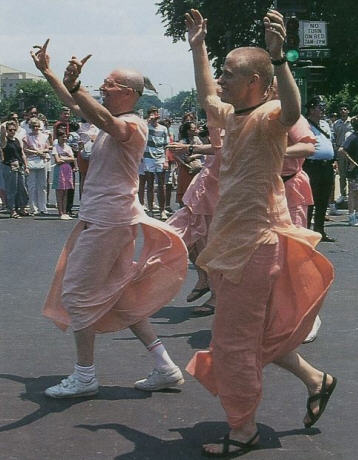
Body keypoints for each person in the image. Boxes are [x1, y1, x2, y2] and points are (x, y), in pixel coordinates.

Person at [184, 9, 335, 457]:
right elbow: (207, 94)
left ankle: (243, 429)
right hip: (233, 246)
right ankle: (316, 380)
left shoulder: (270, 113)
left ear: (254, 80)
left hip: (255, 247)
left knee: (233, 343)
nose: (221, 80)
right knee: (258, 337)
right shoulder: (233, 115)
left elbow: (292, 109)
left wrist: (280, 57)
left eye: (229, 74)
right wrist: (198, 46)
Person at [31, 39, 188, 398]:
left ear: (131, 93)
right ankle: (165, 366)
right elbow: (76, 104)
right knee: (121, 296)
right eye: (101, 82)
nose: (103, 87)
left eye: (110, 84)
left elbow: (96, 114)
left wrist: (76, 85)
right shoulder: (112, 118)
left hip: (108, 221)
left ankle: (84, 376)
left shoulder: (131, 125)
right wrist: (50, 73)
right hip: (109, 219)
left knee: (77, 295)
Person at [167, 125, 223, 315]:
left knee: (207, 246)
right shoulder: (220, 118)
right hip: (202, 190)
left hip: (213, 192)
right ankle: (204, 278)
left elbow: (223, 148)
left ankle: (216, 294)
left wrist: (190, 148)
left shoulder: (231, 118)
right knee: (180, 236)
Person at [303, 97, 336, 242]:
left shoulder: (325, 124)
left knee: (323, 200)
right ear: (311, 108)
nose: (322, 109)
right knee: (310, 200)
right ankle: (306, 231)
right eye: (319, 107)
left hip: (327, 166)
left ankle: (320, 230)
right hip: (312, 165)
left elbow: (329, 142)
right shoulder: (304, 124)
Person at [142, 107, 169, 220]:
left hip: (160, 158)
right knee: (150, 184)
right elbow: (139, 126)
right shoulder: (145, 127)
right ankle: (151, 209)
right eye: (152, 113)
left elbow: (166, 145)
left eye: (155, 113)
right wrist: (148, 120)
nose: (154, 115)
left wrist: (166, 159)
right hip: (148, 158)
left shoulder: (163, 129)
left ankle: (162, 210)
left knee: (162, 185)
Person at [1, 121, 29, 218]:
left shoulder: (17, 140)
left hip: (20, 166)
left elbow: (22, 154)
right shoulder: (4, 141)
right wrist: (7, 122)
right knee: (11, 189)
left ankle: (22, 207)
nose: (12, 131)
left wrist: (26, 166)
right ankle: (12, 210)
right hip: (10, 167)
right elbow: (2, 129)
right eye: (10, 130)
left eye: (14, 129)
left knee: (22, 188)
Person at [22, 117, 50, 216]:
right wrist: (36, 152)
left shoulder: (44, 136)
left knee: (42, 185)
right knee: (32, 185)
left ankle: (43, 207)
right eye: (33, 126)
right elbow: (24, 149)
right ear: (30, 127)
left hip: (42, 161)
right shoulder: (27, 137)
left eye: (37, 126)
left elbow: (48, 148)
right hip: (31, 161)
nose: (35, 128)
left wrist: (42, 152)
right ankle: (33, 208)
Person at [176, 120, 203, 207]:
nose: (196, 130)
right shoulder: (182, 142)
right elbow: (176, 155)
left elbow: (203, 151)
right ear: (188, 131)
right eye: (193, 129)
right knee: (185, 188)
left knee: (196, 188)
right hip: (185, 168)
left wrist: (192, 157)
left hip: (196, 167)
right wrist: (184, 163)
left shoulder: (197, 139)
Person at [52, 128, 77, 220]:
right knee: (60, 192)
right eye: (62, 137)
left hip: (68, 169)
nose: (64, 139)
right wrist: (65, 157)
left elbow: (72, 159)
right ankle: (60, 212)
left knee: (66, 191)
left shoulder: (68, 147)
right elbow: (57, 160)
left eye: (65, 137)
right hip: (59, 170)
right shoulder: (55, 147)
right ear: (58, 137)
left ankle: (65, 212)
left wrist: (63, 157)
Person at [333, 103, 352, 203]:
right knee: (342, 174)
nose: (343, 111)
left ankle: (351, 195)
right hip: (340, 151)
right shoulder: (336, 123)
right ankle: (343, 195)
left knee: (352, 174)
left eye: (345, 109)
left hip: (351, 152)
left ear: (348, 111)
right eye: (341, 109)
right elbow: (334, 137)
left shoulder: (352, 122)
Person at [342, 115, 358, 226]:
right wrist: (352, 162)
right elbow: (342, 150)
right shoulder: (352, 137)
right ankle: (351, 216)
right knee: (353, 193)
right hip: (354, 171)